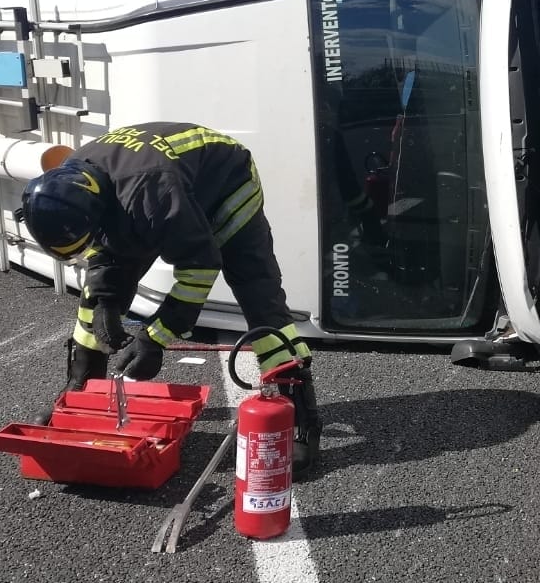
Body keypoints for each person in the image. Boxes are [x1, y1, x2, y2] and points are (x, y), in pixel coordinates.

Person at [17, 122, 324, 473]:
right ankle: (79, 400)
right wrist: (106, 301)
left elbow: (200, 266)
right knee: (92, 302)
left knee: (260, 300)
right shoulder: (77, 182)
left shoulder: (150, 192)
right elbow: (104, 248)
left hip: (225, 186)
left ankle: (301, 424)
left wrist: (155, 338)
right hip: (155, 190)